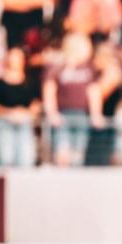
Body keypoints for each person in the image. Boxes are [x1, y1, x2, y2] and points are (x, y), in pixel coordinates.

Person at [43, 32, 103, 166]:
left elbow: (93, 92)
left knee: (78, 151)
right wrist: (52, 112)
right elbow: (49, 91)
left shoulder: (88, 68)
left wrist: (95, 113)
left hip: (81, 115)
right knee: (62, 150)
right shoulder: (57, 67)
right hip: (62, 115)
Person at [0, 47, 37, 167]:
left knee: (26, 159)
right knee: (5, 158)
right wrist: (11, 113)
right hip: (4, 122)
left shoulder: (30, 82)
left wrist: (26, 113)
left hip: (24, 123)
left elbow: (36, 104)